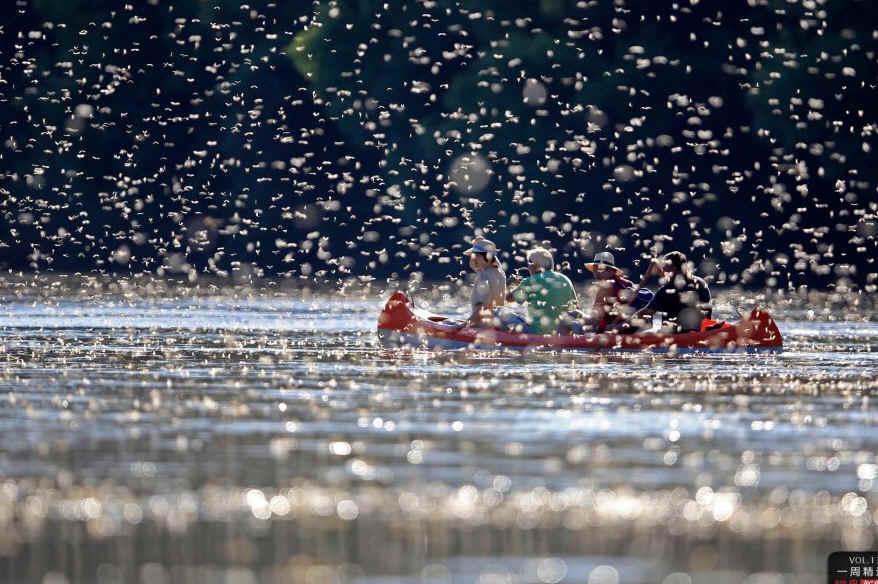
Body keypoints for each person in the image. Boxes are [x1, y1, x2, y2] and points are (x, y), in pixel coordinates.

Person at [634, 251, 712, 332]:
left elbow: (644, 313)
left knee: (653, 318)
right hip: (702, 329)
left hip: (678, 332)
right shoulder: (700, 283)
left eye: (665, 267)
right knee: (657, 317)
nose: (662, 270)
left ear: (673, 268)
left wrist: (632, 319)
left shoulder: (666, 290)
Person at [506, 247, 578, 334]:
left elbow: (509, 298)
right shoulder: (565, 279)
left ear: (534, 264)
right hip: (561, 331)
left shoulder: (531, 281)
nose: (528, 267)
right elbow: (575, 307)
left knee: (499, 313)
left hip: (537, 331)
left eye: (529, 264)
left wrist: (511, 284)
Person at [584, 251, 653, 332]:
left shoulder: (606, 288)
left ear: (612, 272)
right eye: (595, 269)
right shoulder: (625, 283)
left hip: (628, 327)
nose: (597, 272)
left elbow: (596, 317)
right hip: (637, 324)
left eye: (602, 269)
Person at [459, 237, 507, 328]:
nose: (473, 259)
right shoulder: (500, 273)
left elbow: (482, 309)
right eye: (472, 256)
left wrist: (464, 325)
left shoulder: (483, 276)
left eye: (477, 255)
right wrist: (479, 245)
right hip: (496, 325)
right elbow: (491, 261)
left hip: (482, 326)